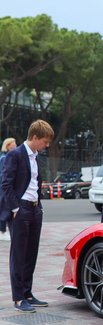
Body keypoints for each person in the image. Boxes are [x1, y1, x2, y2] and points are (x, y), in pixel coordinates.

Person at [0, 120, 54, 313]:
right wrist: (15, 209)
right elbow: (5, 184)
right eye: (45, 141)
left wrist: (38, 206)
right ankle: (18, 298)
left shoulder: (36, 156)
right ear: (35, 137)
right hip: (20, 210)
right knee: (19, 255)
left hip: (34, 210)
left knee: (31, 253)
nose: (47, 145)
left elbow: (35, 183)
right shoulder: (15, 154)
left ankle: (28, 293)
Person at [0, 137, 17, 241]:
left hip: (5, 188)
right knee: (4, 208)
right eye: (13, 145)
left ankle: (4, 230)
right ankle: (2, 231)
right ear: (7, 146)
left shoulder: (8, 157)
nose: (15, 146)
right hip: (4, 188)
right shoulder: (4, 158)